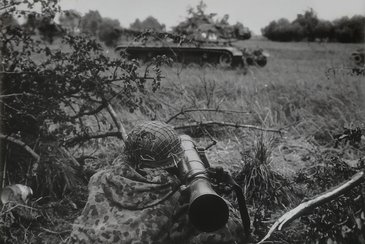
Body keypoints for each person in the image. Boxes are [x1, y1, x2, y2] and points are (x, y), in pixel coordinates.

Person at [68, 121, 247, 244]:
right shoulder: (175, 193)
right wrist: (205, 185)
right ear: (174, 161)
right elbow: (230, 225)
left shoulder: (99, 178)